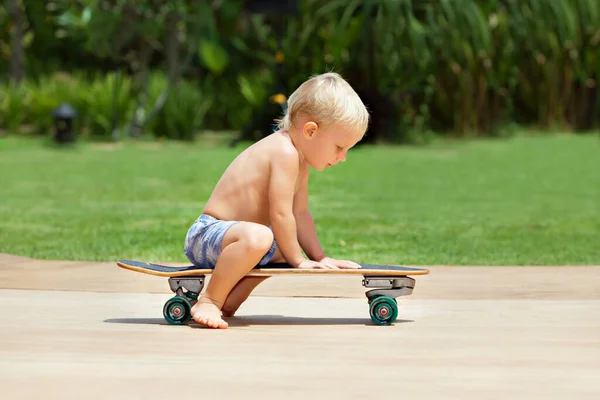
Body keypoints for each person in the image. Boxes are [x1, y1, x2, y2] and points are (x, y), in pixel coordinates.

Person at [183, 72, 370, 328]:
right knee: (266, 238)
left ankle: (229, 299)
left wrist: (319, 257)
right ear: (311, 131)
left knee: (281, 245)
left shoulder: (299, 159)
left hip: (238, 240)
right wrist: (299, 260)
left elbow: (300, 214)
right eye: (340, 147)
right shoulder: (284, 151)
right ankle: (210, 300)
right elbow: (280, 214)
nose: (343, 157)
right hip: (207, 235)